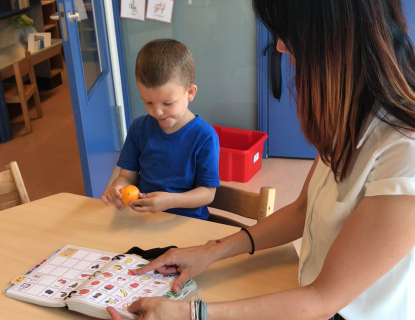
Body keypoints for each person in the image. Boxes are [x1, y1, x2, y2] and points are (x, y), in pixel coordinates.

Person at [107, 0, 415, 319]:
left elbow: (323, 300)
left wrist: (191, 314)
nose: (280, 45)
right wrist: (211, 251)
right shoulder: (352, 113)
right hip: (304, 287)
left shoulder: (405, 152)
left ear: (332, 40)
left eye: (288, 34)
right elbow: (302, 209)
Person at [101, 39, 220, 220]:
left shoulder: (204, 136)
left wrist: (170, 201)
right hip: (141, 219)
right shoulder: (139, 128)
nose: (156, 112)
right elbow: (126, 177)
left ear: (190, 93)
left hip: (187, 223)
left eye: (168, 103)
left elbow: (207, 193)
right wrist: (118, 188)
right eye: (148, 102)